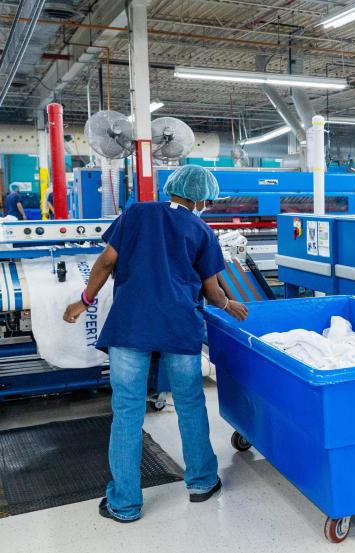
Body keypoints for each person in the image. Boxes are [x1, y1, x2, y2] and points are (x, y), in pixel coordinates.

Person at [62, 164, 248, 523]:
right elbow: (211, 289)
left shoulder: (137, 213)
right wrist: (228, 304)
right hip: (179, 327)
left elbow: (105, 262)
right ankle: (201, 482)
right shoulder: (201, 229)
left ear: (173, 188)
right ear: (202, 197)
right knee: (191, 404)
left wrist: (83, 300)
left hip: (131, 326)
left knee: (128, 412)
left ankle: (125, 504)